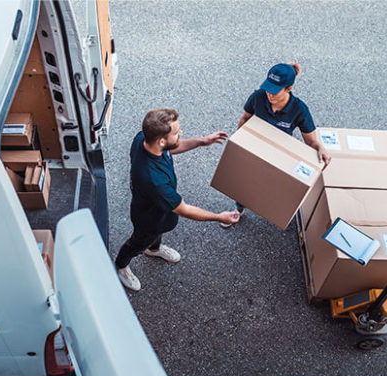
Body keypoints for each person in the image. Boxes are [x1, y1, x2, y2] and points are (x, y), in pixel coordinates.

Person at [115, 108, 240, 291]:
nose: (180, 133)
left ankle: (154, 249)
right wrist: (219, 217)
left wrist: (201, 141)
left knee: (155, 235)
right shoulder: (154, 180)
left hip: (160, 211)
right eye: (176, 132)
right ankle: (121, 265)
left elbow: (172, 147)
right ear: (161, 140)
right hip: (148, 219)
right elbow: (184, 209)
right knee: (138, 242)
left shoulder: (143, 139)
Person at [223, 62, 332, 226]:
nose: (269, 94)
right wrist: (239, 141)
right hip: (255, 147)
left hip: (278, 154)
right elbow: (245, 117)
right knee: (245, 181)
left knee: (273, 185)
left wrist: (320, 149)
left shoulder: (299, 109)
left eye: (275, 91)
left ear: (288, 89)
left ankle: (274, 211)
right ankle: (238, 209)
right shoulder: (258, 97)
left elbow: (310, 141)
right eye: (268, 87)